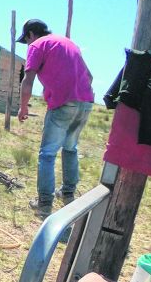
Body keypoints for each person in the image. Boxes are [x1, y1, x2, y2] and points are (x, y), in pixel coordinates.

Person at [16, 18, 95, 216]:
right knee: (70, 148)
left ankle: (44, 203)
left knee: (47, 154)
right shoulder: (69, 43)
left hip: (63, 103)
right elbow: (90, 76)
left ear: (30, 34)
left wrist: (23, 107)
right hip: (85, 102)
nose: (27, 44)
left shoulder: (37, 45)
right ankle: (68, 194)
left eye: (26, 40)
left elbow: (28, 80)